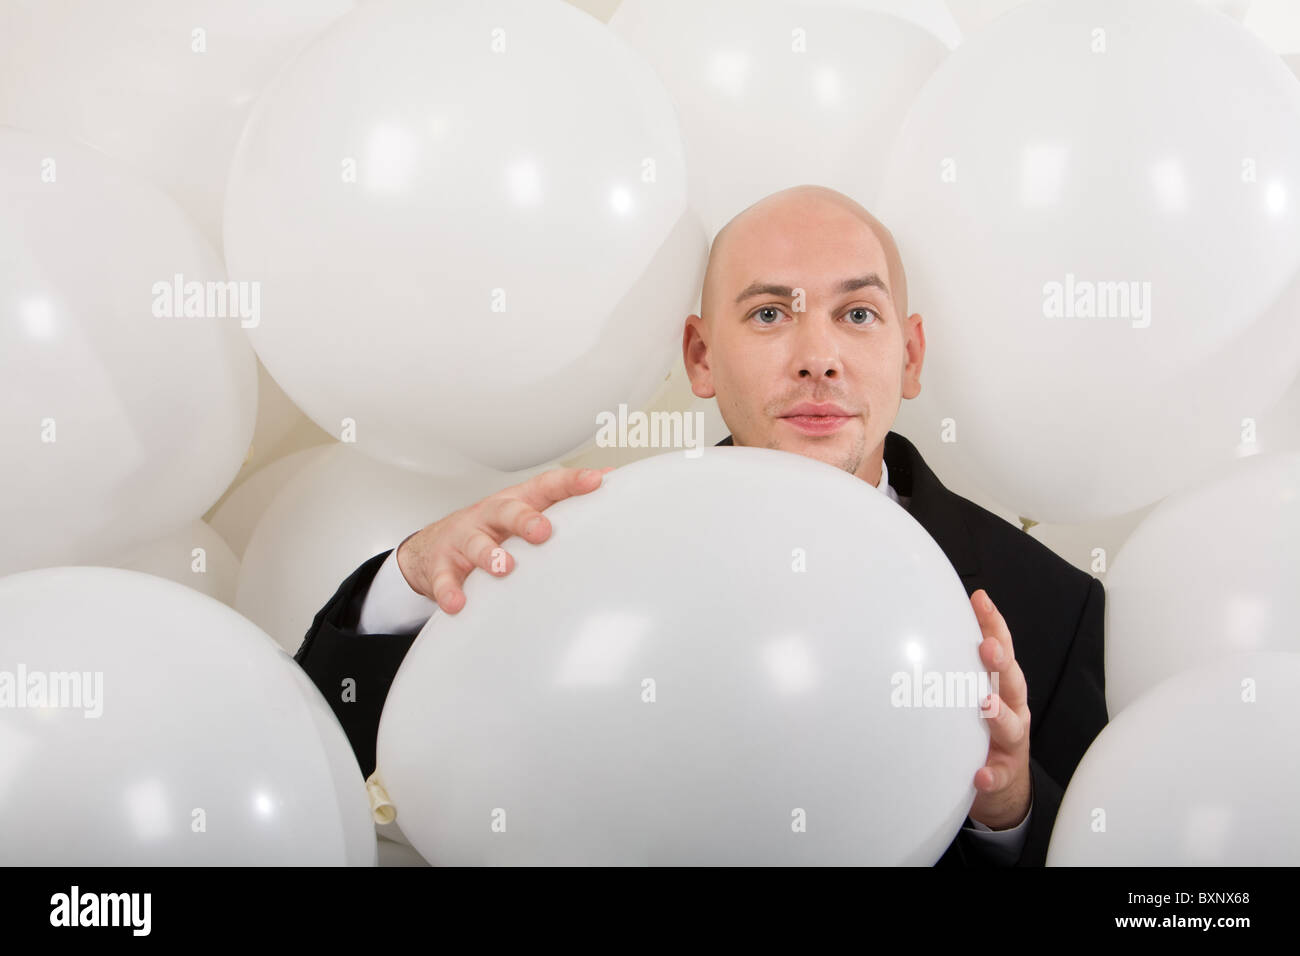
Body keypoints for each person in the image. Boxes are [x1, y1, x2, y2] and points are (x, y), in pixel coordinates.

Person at [294, 185, 1107, 867]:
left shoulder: (1053, 605)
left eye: (858, 314)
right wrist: (407, 580)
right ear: (700, 356)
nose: (817, 356)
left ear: (912, 354)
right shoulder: (582, 547)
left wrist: (1007, 813)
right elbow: (322, 757)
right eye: (767, 315)